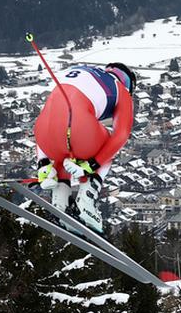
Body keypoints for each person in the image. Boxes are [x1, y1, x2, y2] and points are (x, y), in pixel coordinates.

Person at [32, 62, 135, 232]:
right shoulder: (121, 90)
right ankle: (86, 203)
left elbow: (50, 116)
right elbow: (121, 135)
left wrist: (42, 163)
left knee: (63, 154)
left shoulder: (80, 71)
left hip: (43, 134)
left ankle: (60, 201)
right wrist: (91, 165)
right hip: (79, 130)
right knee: (108, 146)